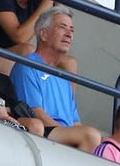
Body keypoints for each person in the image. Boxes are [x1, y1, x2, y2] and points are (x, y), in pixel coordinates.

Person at [8, 8, 102, 151]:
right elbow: (36, 113)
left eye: (72, 30)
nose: (69, 34)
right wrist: (70, 138)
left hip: (62, 136)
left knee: (101, 141)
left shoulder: (63, 77)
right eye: (62, 27)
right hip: (44, 134)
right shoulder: (27, 66)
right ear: (43, 34)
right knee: (91, 135)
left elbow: (75, 123)